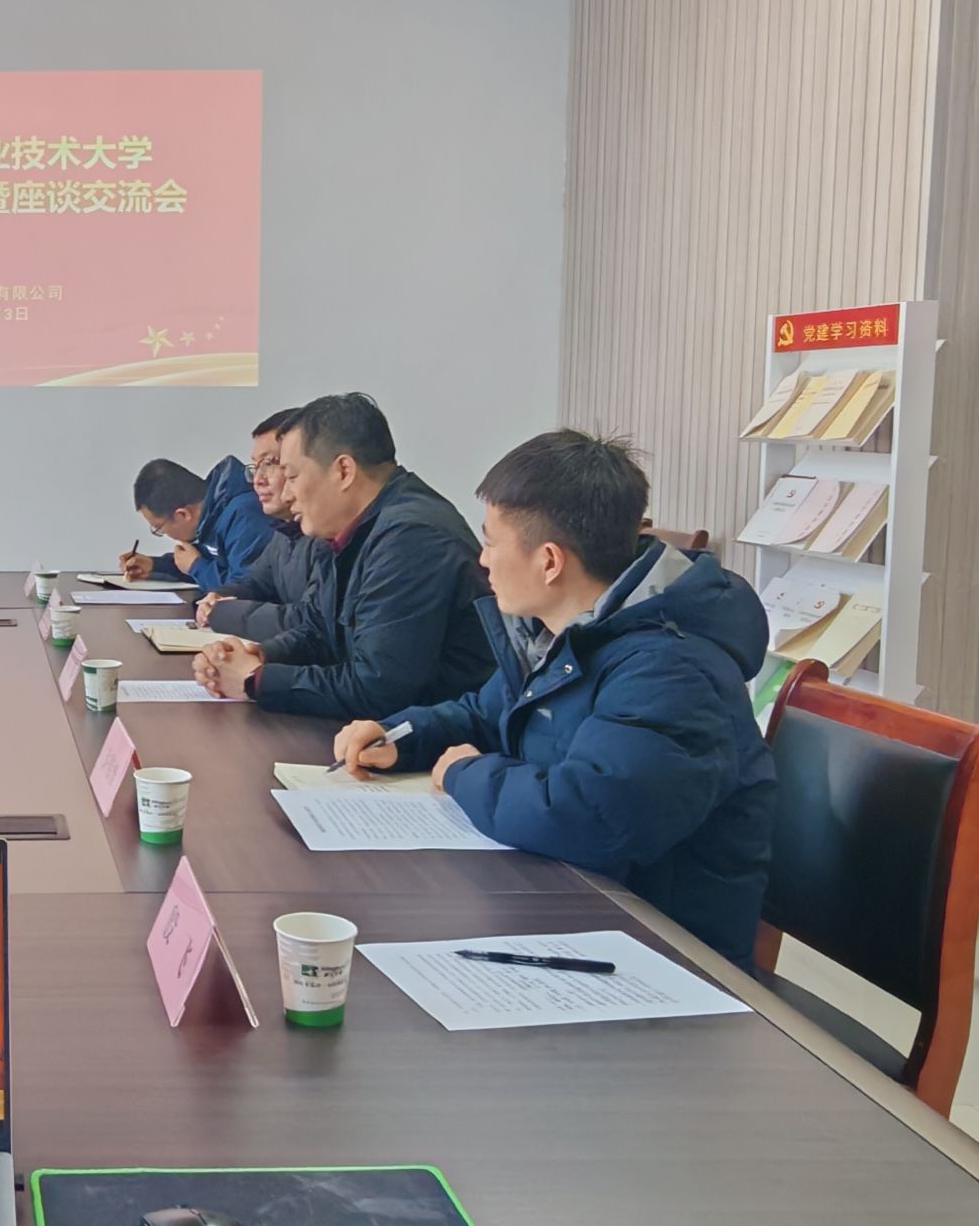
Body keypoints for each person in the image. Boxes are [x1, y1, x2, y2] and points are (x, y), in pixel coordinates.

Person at [334, 431, 776, 964]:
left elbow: (590, 815)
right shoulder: (559, 633)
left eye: (491, 543)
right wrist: (401, 736)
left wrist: (463, 774)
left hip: (662, 953)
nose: (482, 560)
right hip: (574, 911)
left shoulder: (671, 669)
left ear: (549, 561)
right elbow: (486, 715)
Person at [194, 394, 492, 719]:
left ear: (343, 471)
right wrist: (261, 655)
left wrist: (255, 680)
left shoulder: (411, 537)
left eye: (292, 477)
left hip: (430, 737)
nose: (287, 494)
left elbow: (379, 688)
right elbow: (319, 630)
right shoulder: (347, 529)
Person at [197, 408, 321, 636]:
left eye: (270, 463)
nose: (258, 480)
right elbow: (255, 583)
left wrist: (226, 613)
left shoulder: (324, 533)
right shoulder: (284, 530)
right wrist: (220, 596)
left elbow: (311, 622)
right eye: (255, 467)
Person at [118, 454, 274, 591]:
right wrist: (155, 565)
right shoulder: (213, 512)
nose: (164, 534)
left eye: (159, 528)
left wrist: (196, 567)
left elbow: (245, 590)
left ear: (183, 514)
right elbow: (208, 561)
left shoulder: (245, 516)